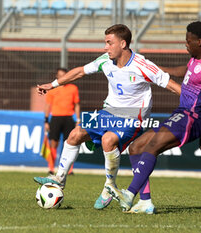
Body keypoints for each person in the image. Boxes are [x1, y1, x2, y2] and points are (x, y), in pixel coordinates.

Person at [33, 24, 181, 210]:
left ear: (123, 43)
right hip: (108, 112)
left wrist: (196, 103)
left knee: (107, 139)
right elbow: (79, 71)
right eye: (105, 43)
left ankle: (109, 186)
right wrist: (53, 84)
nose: (105, 47)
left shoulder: (142, 65)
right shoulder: (105, 60)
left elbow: (170, 84)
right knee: (74, 135)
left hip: (132, 117)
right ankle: (59, 178)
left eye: (109, 43)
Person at [104, 21, 201, 214]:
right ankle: (145, 202)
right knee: (135, 147)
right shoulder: (195, 59)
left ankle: (129, 194)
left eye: (188, 41)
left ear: (200, 42)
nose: (185, 44)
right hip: (181, 114)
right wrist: (152, 68)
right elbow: (185, 73)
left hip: (194, 118)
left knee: (152, 146)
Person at [43, 68, 81, 175]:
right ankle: (51, 168)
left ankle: (69, 169)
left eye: (63, 75)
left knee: (69, 144)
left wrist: (78, 119)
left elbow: (77, 104)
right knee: (53, 143)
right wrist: (46, 120)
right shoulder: (52, 89)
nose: (61, 77)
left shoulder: (73, 88)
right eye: (59, 75)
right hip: (55, 118)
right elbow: (47, 105)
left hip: (69, 118)